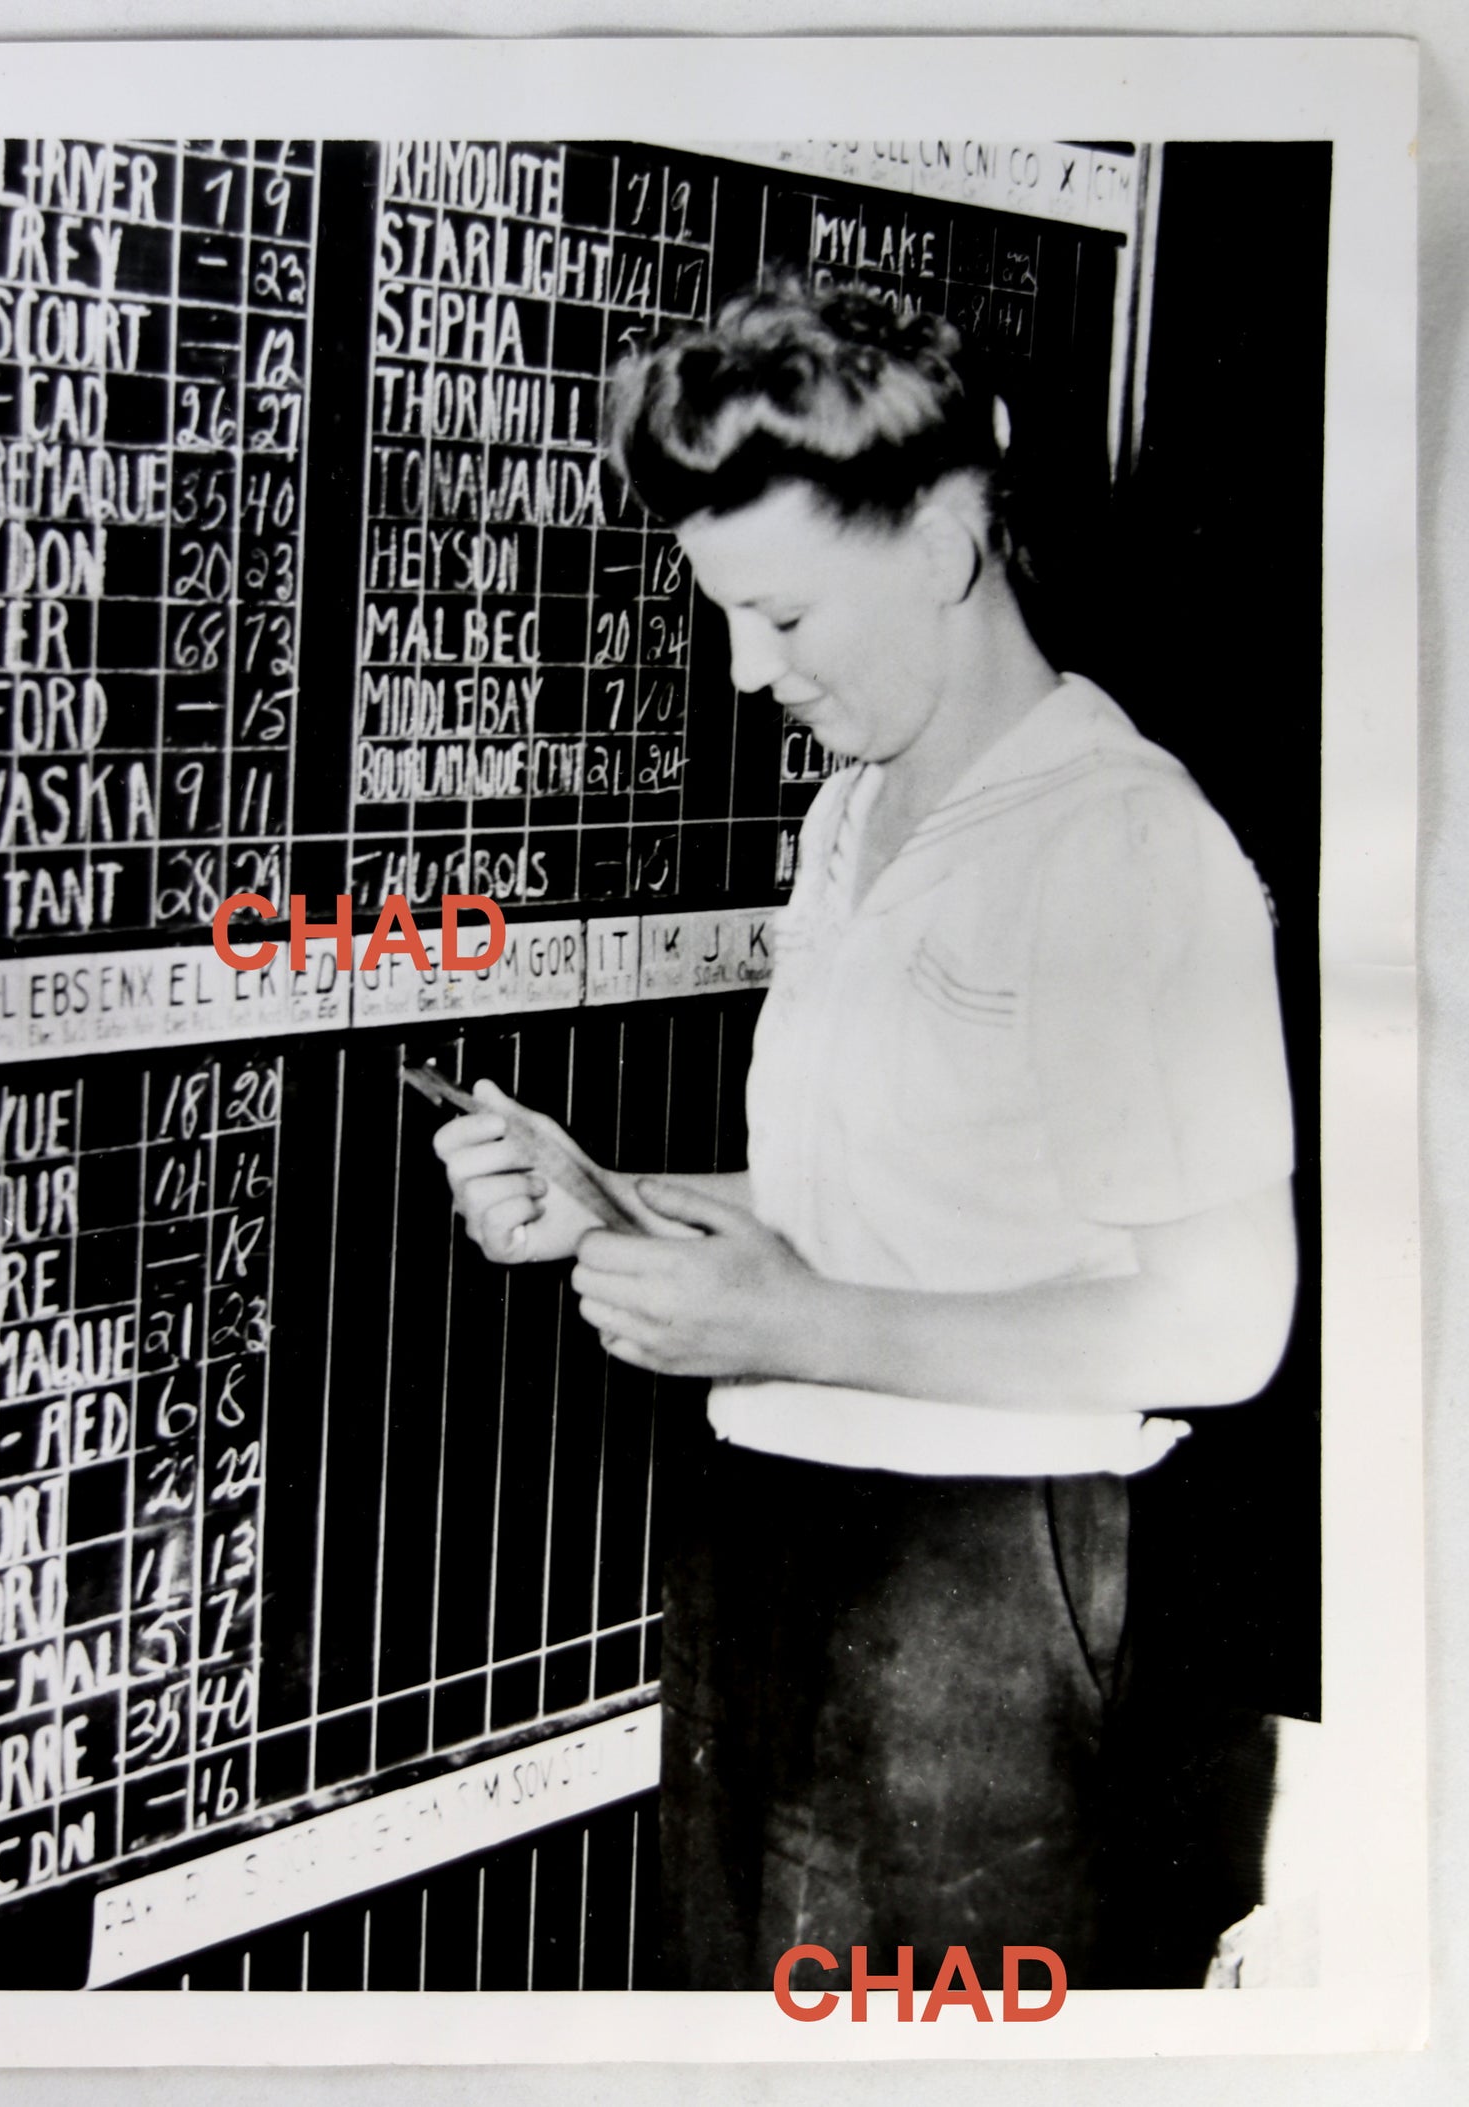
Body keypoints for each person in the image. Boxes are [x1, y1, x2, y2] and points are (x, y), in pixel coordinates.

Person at [432, 280, 1297, 1992]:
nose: (751, 672)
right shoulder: (859, 810)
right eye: (728, 618)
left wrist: (791, 1322)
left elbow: (1225, 1324)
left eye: (787, 616)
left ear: (945, 544)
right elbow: (895, 1199)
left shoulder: (1125, 846)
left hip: (994, 1597)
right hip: (779, 1545)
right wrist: (609, 1196)